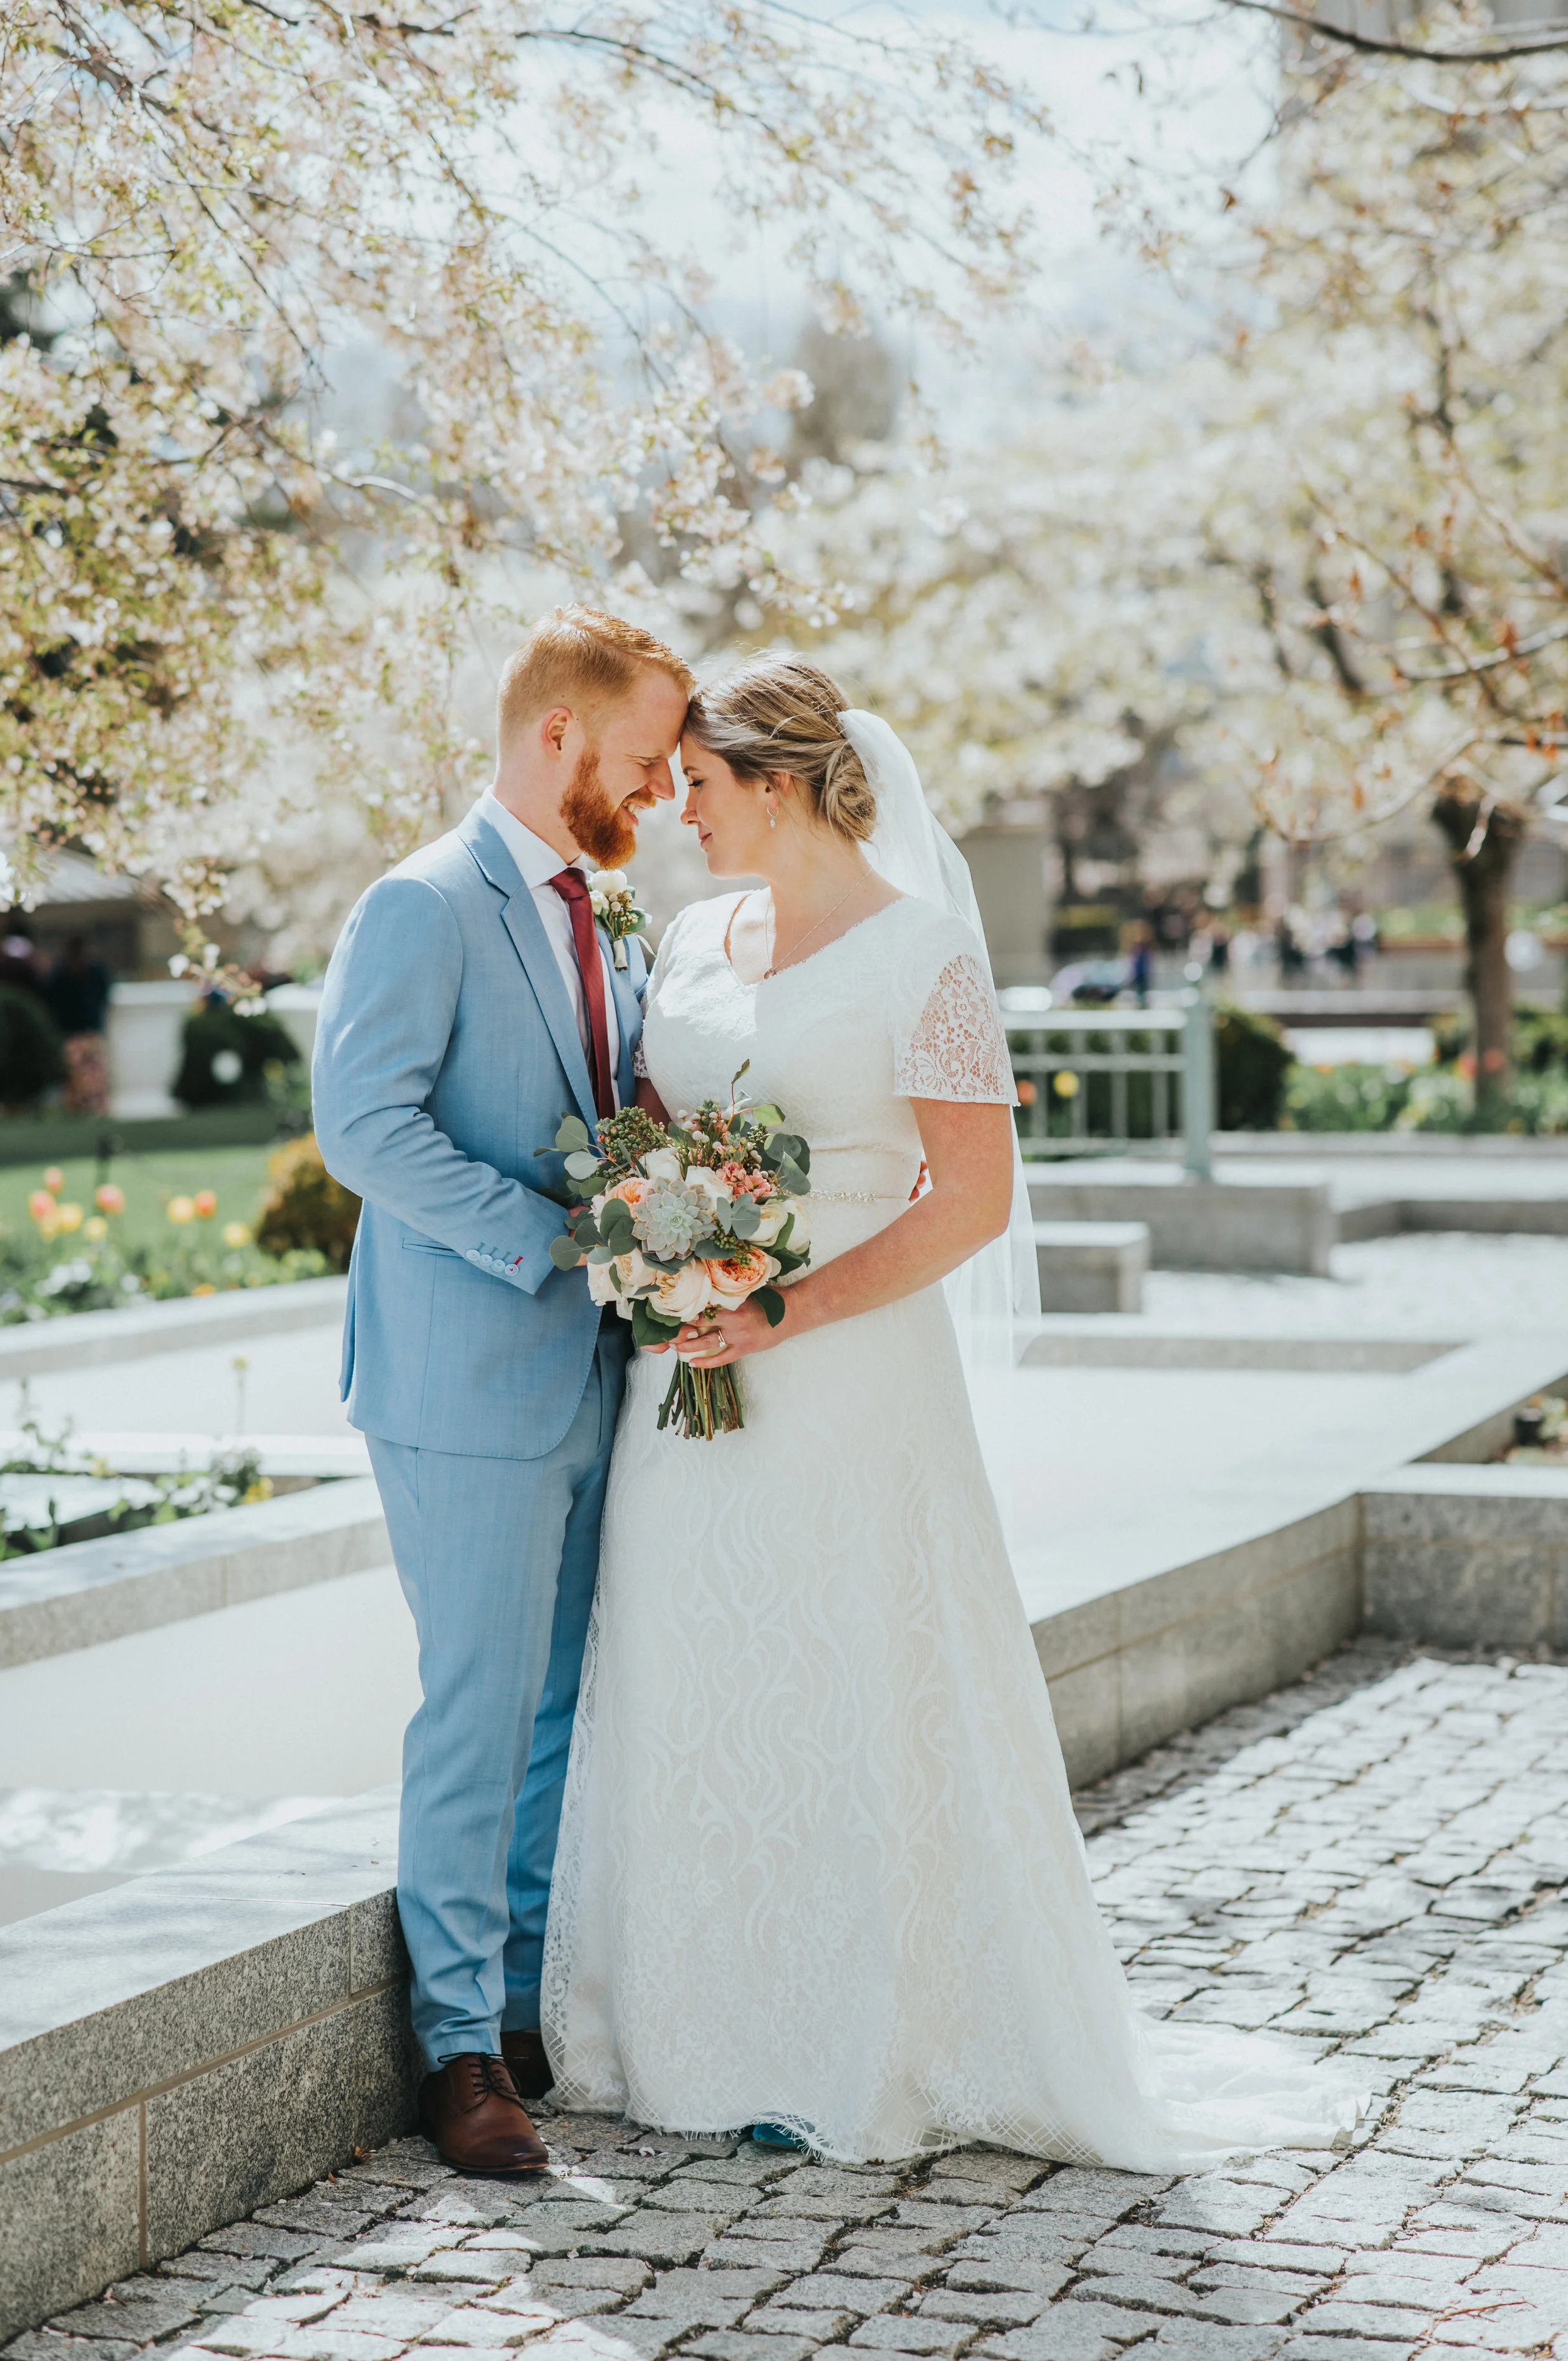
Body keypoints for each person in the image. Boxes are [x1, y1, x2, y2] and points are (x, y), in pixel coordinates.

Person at [542, 655, 1366, 2167]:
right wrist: (659, 1233)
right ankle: (688, 2031)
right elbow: (662, 1124)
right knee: (692, 1666)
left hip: (846, 1379)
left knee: (854, 1682)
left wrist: (778, 1304)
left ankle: (864, 2041)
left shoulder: (924, 959)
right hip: (688, 1376)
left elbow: (972, 1201)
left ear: (777, 784)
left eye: (704, 788)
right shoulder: (699, 930)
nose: (680, 816)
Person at [312, 606, 692, 2176]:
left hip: (599, 1379)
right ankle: (455, 2052)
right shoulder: (421, 904)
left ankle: (524, 2010)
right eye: (646, 757)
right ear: (560, 739)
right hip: (467, 1381)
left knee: (553, 1711)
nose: (666, 788)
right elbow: (362, 1126)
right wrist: (552, 1241)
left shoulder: (600, 909)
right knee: (478, 1713)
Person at [45, 934, 113, 1116]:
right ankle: (78, 1109)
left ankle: (97, 1110)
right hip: (72, 1034)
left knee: (95, 1077)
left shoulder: (95, 972)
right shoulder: (60, 975)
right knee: (75, 1078)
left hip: (89, 1033)